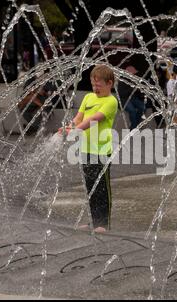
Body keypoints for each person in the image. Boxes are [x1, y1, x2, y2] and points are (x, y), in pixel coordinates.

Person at [58, 65, 118, 233]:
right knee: (91, 187)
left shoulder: (111, 101)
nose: (95, 89)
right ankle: (93, 222)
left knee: (102, 189)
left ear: (109, 83)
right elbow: (79, 118)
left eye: (99, 86)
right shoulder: (88, 98)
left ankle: (104, 225)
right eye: (93, 85)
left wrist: (76, 130)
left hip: (102, 151)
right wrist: (68, 127)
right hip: (86, 150)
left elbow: (94, 119)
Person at [118, 65, 145, 130]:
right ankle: (133, 128)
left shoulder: (133, 80)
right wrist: (132, 88)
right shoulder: (122, 81)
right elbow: (121, 94)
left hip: (133, 99)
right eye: (133, 74)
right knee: (132, 110)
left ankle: (136, 125)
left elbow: (136, 92)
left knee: (142, 107)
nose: (134, 75)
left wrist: (140, 89)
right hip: (124, 100)